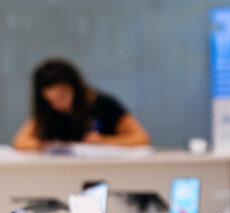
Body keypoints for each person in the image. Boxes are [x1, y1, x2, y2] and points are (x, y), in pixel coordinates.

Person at [12, 58, 151, 151]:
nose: (57, 105)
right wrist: (48, 146)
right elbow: (20, 141)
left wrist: (104, 141)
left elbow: (142, 138)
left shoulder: (104, 105)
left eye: (62, 97)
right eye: (51, 101)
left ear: (76, 88)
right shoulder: (49, 110)